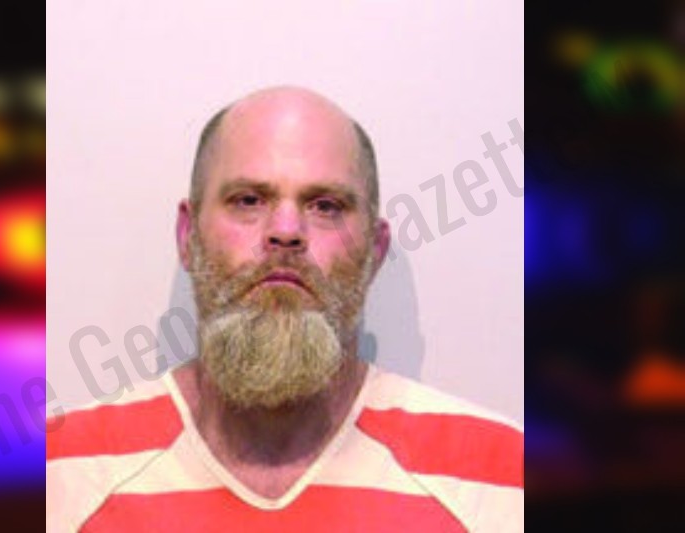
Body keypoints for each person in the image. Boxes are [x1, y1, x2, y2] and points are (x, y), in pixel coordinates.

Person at [47, 86, 523, 532]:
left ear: (375, 252)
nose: (286, 231)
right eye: (248, 200)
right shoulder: (62, 475)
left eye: (326, 206)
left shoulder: (499, 479)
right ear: (187, 236)